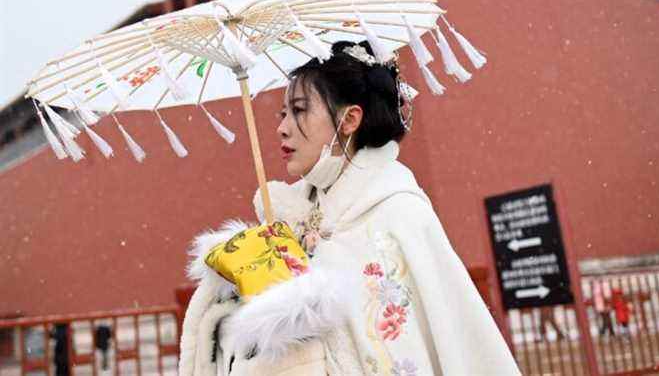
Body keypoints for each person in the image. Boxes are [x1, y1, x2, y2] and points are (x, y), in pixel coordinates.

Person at [178, 41, 521, 376]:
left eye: (299, 110)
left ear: (349, 119)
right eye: (283, 113)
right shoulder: (289, 217)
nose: (281, 128)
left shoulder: (398, 212)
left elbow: (436, 342)